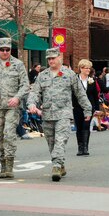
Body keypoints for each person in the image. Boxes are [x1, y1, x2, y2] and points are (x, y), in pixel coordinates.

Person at [28, 47, 91, 181]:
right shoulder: (42, 75)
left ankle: (56, 166)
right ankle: (60, 164)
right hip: (47, 114)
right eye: (49, 59)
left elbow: (80, 93)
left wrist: (87, 109)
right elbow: (35, 92)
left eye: (53, 58)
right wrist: (32, 104)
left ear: (59, 57)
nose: (51, 61)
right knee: (51, 142)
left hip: (64, 113)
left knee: (60, 140)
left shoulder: (69, 74)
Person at [0, 38, 29, 179]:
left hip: (12, 106)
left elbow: (25, 85)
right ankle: (2, 165)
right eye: (2, 49)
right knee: (0, 136)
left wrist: (17, 97)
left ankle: (9, 165)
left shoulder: (18, 64)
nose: (5, 52)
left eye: (7, 49)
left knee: (9, 133)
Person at [72, 59, 99, 156]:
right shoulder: (75, 79)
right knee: (79, 127)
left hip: (89, 108)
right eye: (86, 68)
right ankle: (80, 147)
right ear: (80, 68)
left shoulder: (92, 80)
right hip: (77, 107)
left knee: (86, 126)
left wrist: (96, 108)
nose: (88, 70)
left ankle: (85, 147)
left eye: (89, 68)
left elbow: (96, 95)